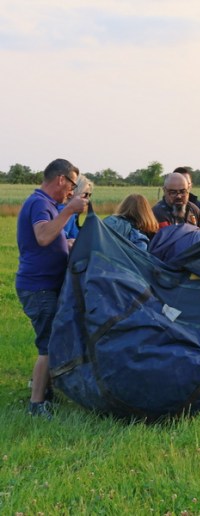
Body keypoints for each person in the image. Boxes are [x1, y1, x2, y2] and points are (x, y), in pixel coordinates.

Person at [16, 158, 89, 418]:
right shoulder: (40, 203)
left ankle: (45, 392)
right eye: (71, 184)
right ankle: (37, 404)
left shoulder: (45, 204)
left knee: (52, 341)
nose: (71, 190)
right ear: (60, 179)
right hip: (40, 287)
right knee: (48, 345)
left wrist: (66, 244)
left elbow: (49, 237)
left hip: (44, 284)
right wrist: (69, 210)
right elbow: (43, 236)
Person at [151, 172, 200, 237]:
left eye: (183, 192)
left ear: (188, 190)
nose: (179, 196)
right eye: (173, 192)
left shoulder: (194, 210)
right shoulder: (156, 214)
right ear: (164, 191)